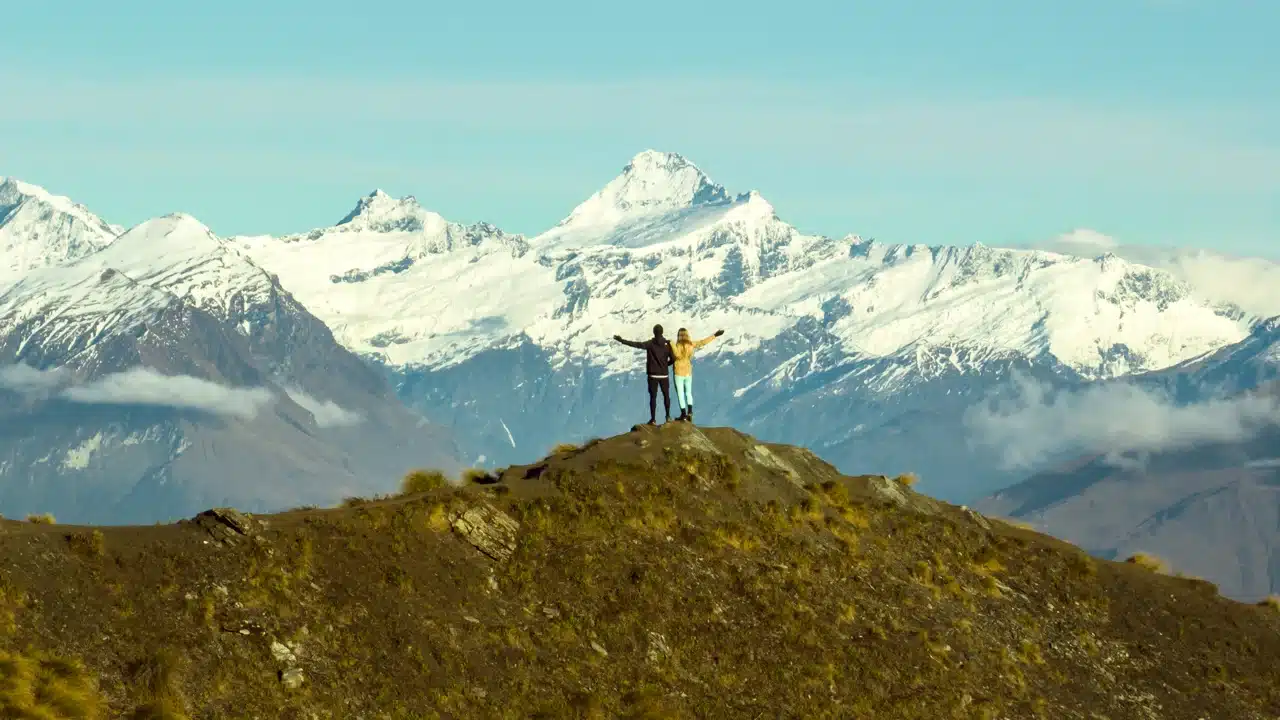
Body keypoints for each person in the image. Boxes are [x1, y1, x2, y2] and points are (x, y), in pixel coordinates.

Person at [613, 324, 677, 425]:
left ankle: (653, 419)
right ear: (662, 332)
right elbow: (673, 359)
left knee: (653, 397)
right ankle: (668, 416)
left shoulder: (650, 344)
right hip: (664, 375)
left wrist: (622, 341)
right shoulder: (667, 345)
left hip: (653, 375)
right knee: (666, 396)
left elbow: (636, 344)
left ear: (654, 332)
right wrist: (665, 365)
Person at [670, 327, 724, 423]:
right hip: (688, 371)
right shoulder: (691, 344)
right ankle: (690, 412)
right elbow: (703, 342)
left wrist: (671, 343)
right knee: (688, 392)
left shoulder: (677, 345)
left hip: (678, 371)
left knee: (680, 393)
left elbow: (677, 355)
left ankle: (683, 414)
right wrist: (715, 335)